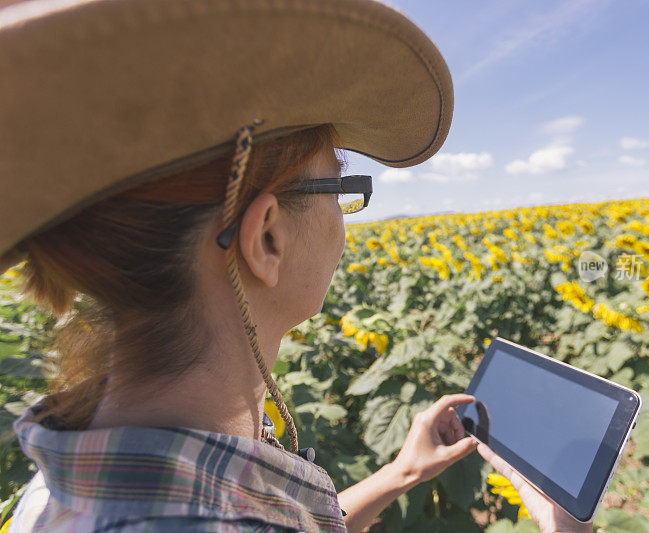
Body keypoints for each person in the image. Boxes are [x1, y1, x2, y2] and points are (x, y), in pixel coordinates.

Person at [0, 0, 594, 531]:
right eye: (338, 185)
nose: (342, 219)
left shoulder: (67, 482)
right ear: (267, 240)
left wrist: (399, 474)